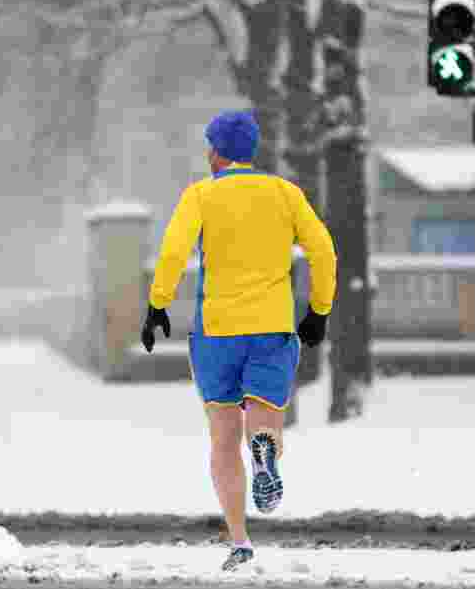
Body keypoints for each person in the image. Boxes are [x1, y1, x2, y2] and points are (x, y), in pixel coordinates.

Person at [141, 109, 337, 572]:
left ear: (215, 150)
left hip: (217, 331)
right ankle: (265, 449)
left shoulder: (201, 195)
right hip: (271, 326)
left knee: (223, 438)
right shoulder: (285, 194)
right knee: (265, 418)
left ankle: (240, 540)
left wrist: (158, 303)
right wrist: (319, 310)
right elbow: (323, 249)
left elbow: (172, 251)